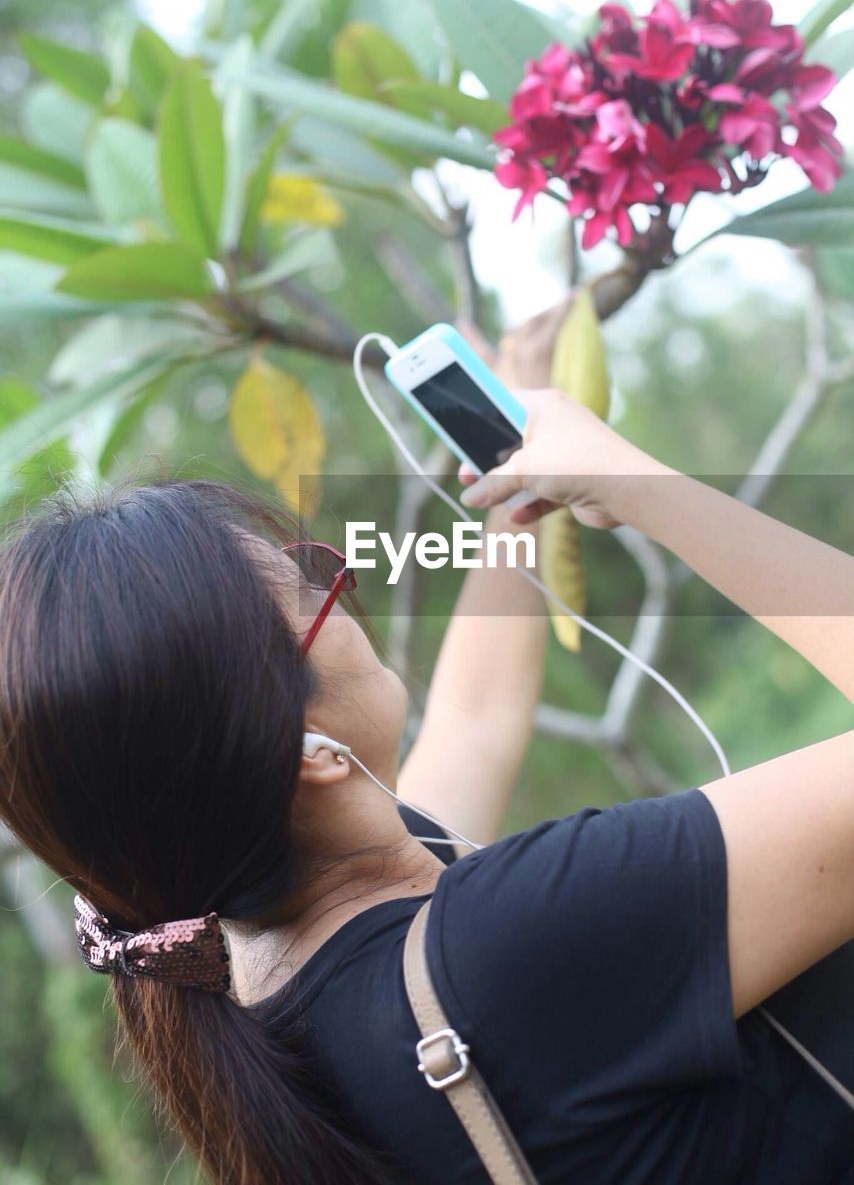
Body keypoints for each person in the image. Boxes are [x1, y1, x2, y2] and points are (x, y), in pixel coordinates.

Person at [0, 302, 852, 1185]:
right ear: (310, 751)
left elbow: (475, 716)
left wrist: (516, 480)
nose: (340, 581)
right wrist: (636, 482)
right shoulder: (529, 939)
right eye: (308, 586)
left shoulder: (283, 987)